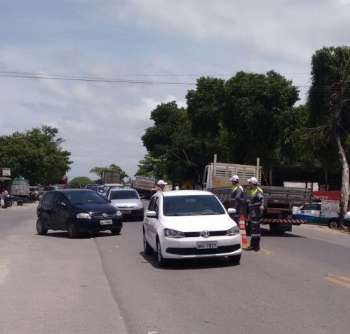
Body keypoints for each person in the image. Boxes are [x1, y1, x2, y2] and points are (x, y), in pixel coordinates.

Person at [245, 177, 264, 251]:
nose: (248, 184)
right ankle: (255, 246)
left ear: (253, 183)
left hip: (256, 213)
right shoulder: (251, 190)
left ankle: (254, 246)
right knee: (254, 230)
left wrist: (262, 205)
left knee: (255, 230)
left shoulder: (258, 190)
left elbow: (262, 200)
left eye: (249, 183)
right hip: (252, 212)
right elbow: (249, 200)